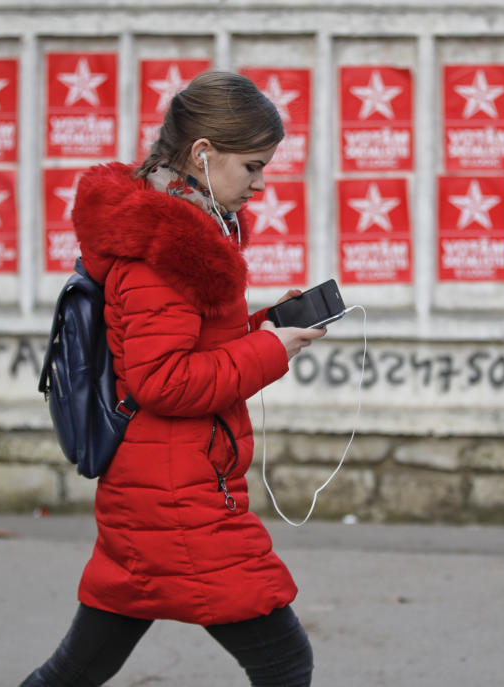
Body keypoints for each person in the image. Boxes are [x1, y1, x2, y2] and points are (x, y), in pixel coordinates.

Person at [20, 71, 325, 687]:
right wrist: (268, 350)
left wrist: (268, 323)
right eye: (253, 167)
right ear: (204, 154)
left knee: (79, 669)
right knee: (283, 661)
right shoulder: (168, 247)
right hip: (177, 498)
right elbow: (163, 381)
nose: (261, 185)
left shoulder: (178, 231)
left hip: (160, 489)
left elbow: (188, 343)